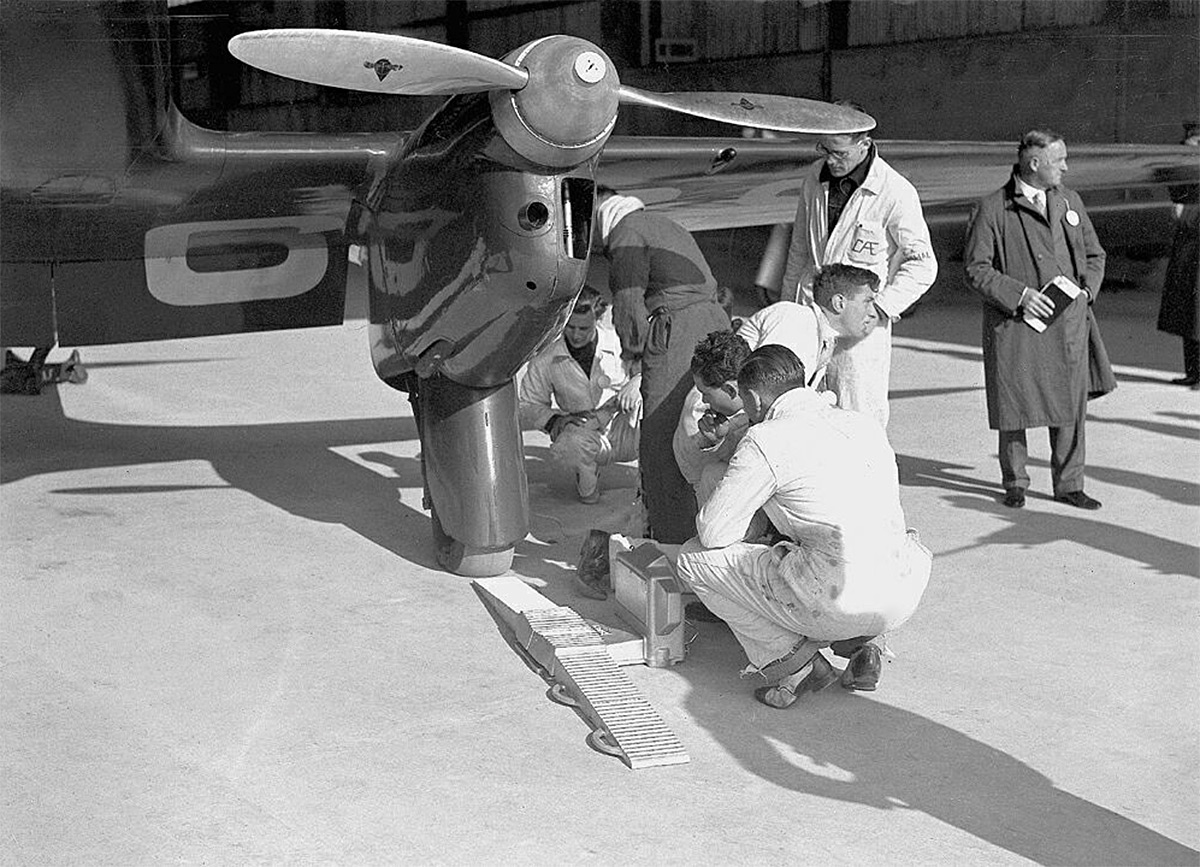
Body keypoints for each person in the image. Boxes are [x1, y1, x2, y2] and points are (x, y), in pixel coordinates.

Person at [675, 345, 932, 708]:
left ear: (751, 398)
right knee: (853, 543)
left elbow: (716, 533)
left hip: (835, 597)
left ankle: (795, 665)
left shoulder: (766, 439)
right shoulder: (862, 423)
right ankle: (866, 644)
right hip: (901, 590)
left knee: (694, 559)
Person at [964, 129, 1113, 511]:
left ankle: (1069, 484)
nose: (1065, 166)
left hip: (1069, 324)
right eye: (1058, 160)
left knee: (1070, 406)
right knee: (1015, 402)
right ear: (1034, 164)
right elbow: (976, 268)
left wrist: (1086, 293)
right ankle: (1015, 482)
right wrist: (1021, 296)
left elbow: (1095, 255)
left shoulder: (1069, 200)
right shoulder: (993, 208)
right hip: (1017, 323)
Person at [778, 105, 937, 428]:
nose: (831, 160)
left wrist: (880, 307)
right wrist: (788, 311)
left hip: (859, 333)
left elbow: (923, 263)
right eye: (824, 149)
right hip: (811, 318)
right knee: (804, 415)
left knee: (858, 419)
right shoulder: (814, 177)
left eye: (839, 152)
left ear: (864, 145)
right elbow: (799, 250)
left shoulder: (894, 191)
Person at [674, 264, 883, 503]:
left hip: (724, 427)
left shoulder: (814, 333)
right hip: (711, 419)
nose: (872, 313)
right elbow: (768, 399)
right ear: (839, 303)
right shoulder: (797, 323)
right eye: (867, 301)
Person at [596, 185, 730, 543]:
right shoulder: (663, 222)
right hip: (714, 321)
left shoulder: (626, 231)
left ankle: (669, 538)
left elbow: (628, 302)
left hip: (679, 328)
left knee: (660, 433)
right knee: (706, 423)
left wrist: (635, 358)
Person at [517, 286, 641, 504]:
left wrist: (636, 381)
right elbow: (527, 404)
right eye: (570, 327)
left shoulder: (620, 342)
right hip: (586, 430)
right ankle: (588, 489)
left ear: (598, 319)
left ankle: (648, 485)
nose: (576, 335)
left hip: (626, 428)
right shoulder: (546, 357)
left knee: (657, 412)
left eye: (583, 328)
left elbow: (656, 369)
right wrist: (557, 420)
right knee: (568, 447)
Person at [1157, 121, 1200, 388]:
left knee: (1198, 313)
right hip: (1188, 245)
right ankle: (1193, 371)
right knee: (1188, 311)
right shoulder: (1184, 165)